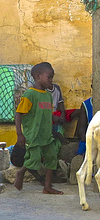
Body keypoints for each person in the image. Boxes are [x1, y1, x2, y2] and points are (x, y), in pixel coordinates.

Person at [13, 62, 63, 194]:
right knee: (33, 159)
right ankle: (20, 173)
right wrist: (20, 134)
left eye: (52, 77)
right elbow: (19, 114)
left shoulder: (47, 95)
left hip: (46, 135)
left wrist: (53, 118)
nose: (51, 80)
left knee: (52, 158)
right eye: (49, 77)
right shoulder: (30, 95)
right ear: (37, 76)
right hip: (33, 135)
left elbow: (44, 112)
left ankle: (47, 187)